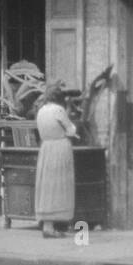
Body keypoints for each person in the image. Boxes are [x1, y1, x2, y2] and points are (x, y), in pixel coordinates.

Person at [34, 80, 79, 238]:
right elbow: (71, 130)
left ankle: (48, 225)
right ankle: (58, 224)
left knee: (48, 187)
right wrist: (72, 126)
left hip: (46, 148)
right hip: (59, 149)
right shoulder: (59, 110)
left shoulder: (41, 111)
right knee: (59, 186)